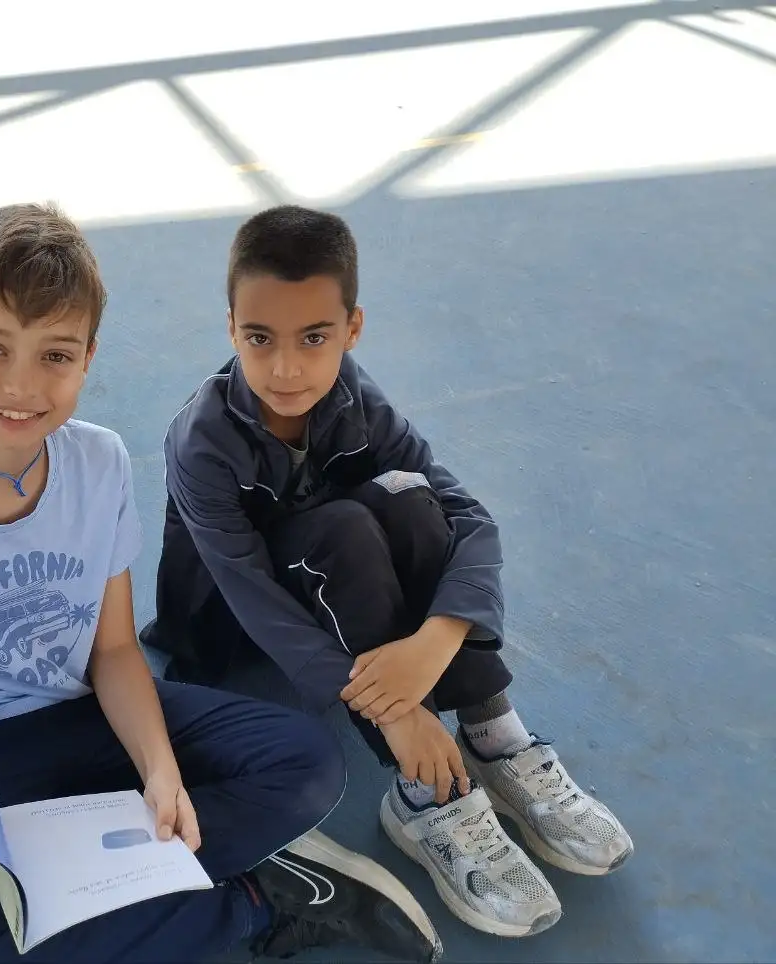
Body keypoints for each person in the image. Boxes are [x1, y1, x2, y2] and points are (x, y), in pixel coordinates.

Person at [0, 202, 441, 963]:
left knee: (307, 763)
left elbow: (113, 652)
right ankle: (253, 902)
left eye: (55, 355)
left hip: (85, 717)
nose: (21, 385)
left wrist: (160, 770)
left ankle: (103, 885)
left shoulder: (97, 463)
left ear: (88, 357)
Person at [141, 204, 635, 940]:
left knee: (412, 502)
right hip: (237, 633)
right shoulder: (201, 441)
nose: (285, 367)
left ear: (352, 329)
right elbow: (252, 598)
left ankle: (493, 733)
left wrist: (437, 639)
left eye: (314, 338)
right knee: (342, 527)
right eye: (259, 338)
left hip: (344, 591)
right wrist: (398, 712)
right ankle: (423, 794)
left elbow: (467, 517)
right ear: (231, 328)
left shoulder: (354, 399)